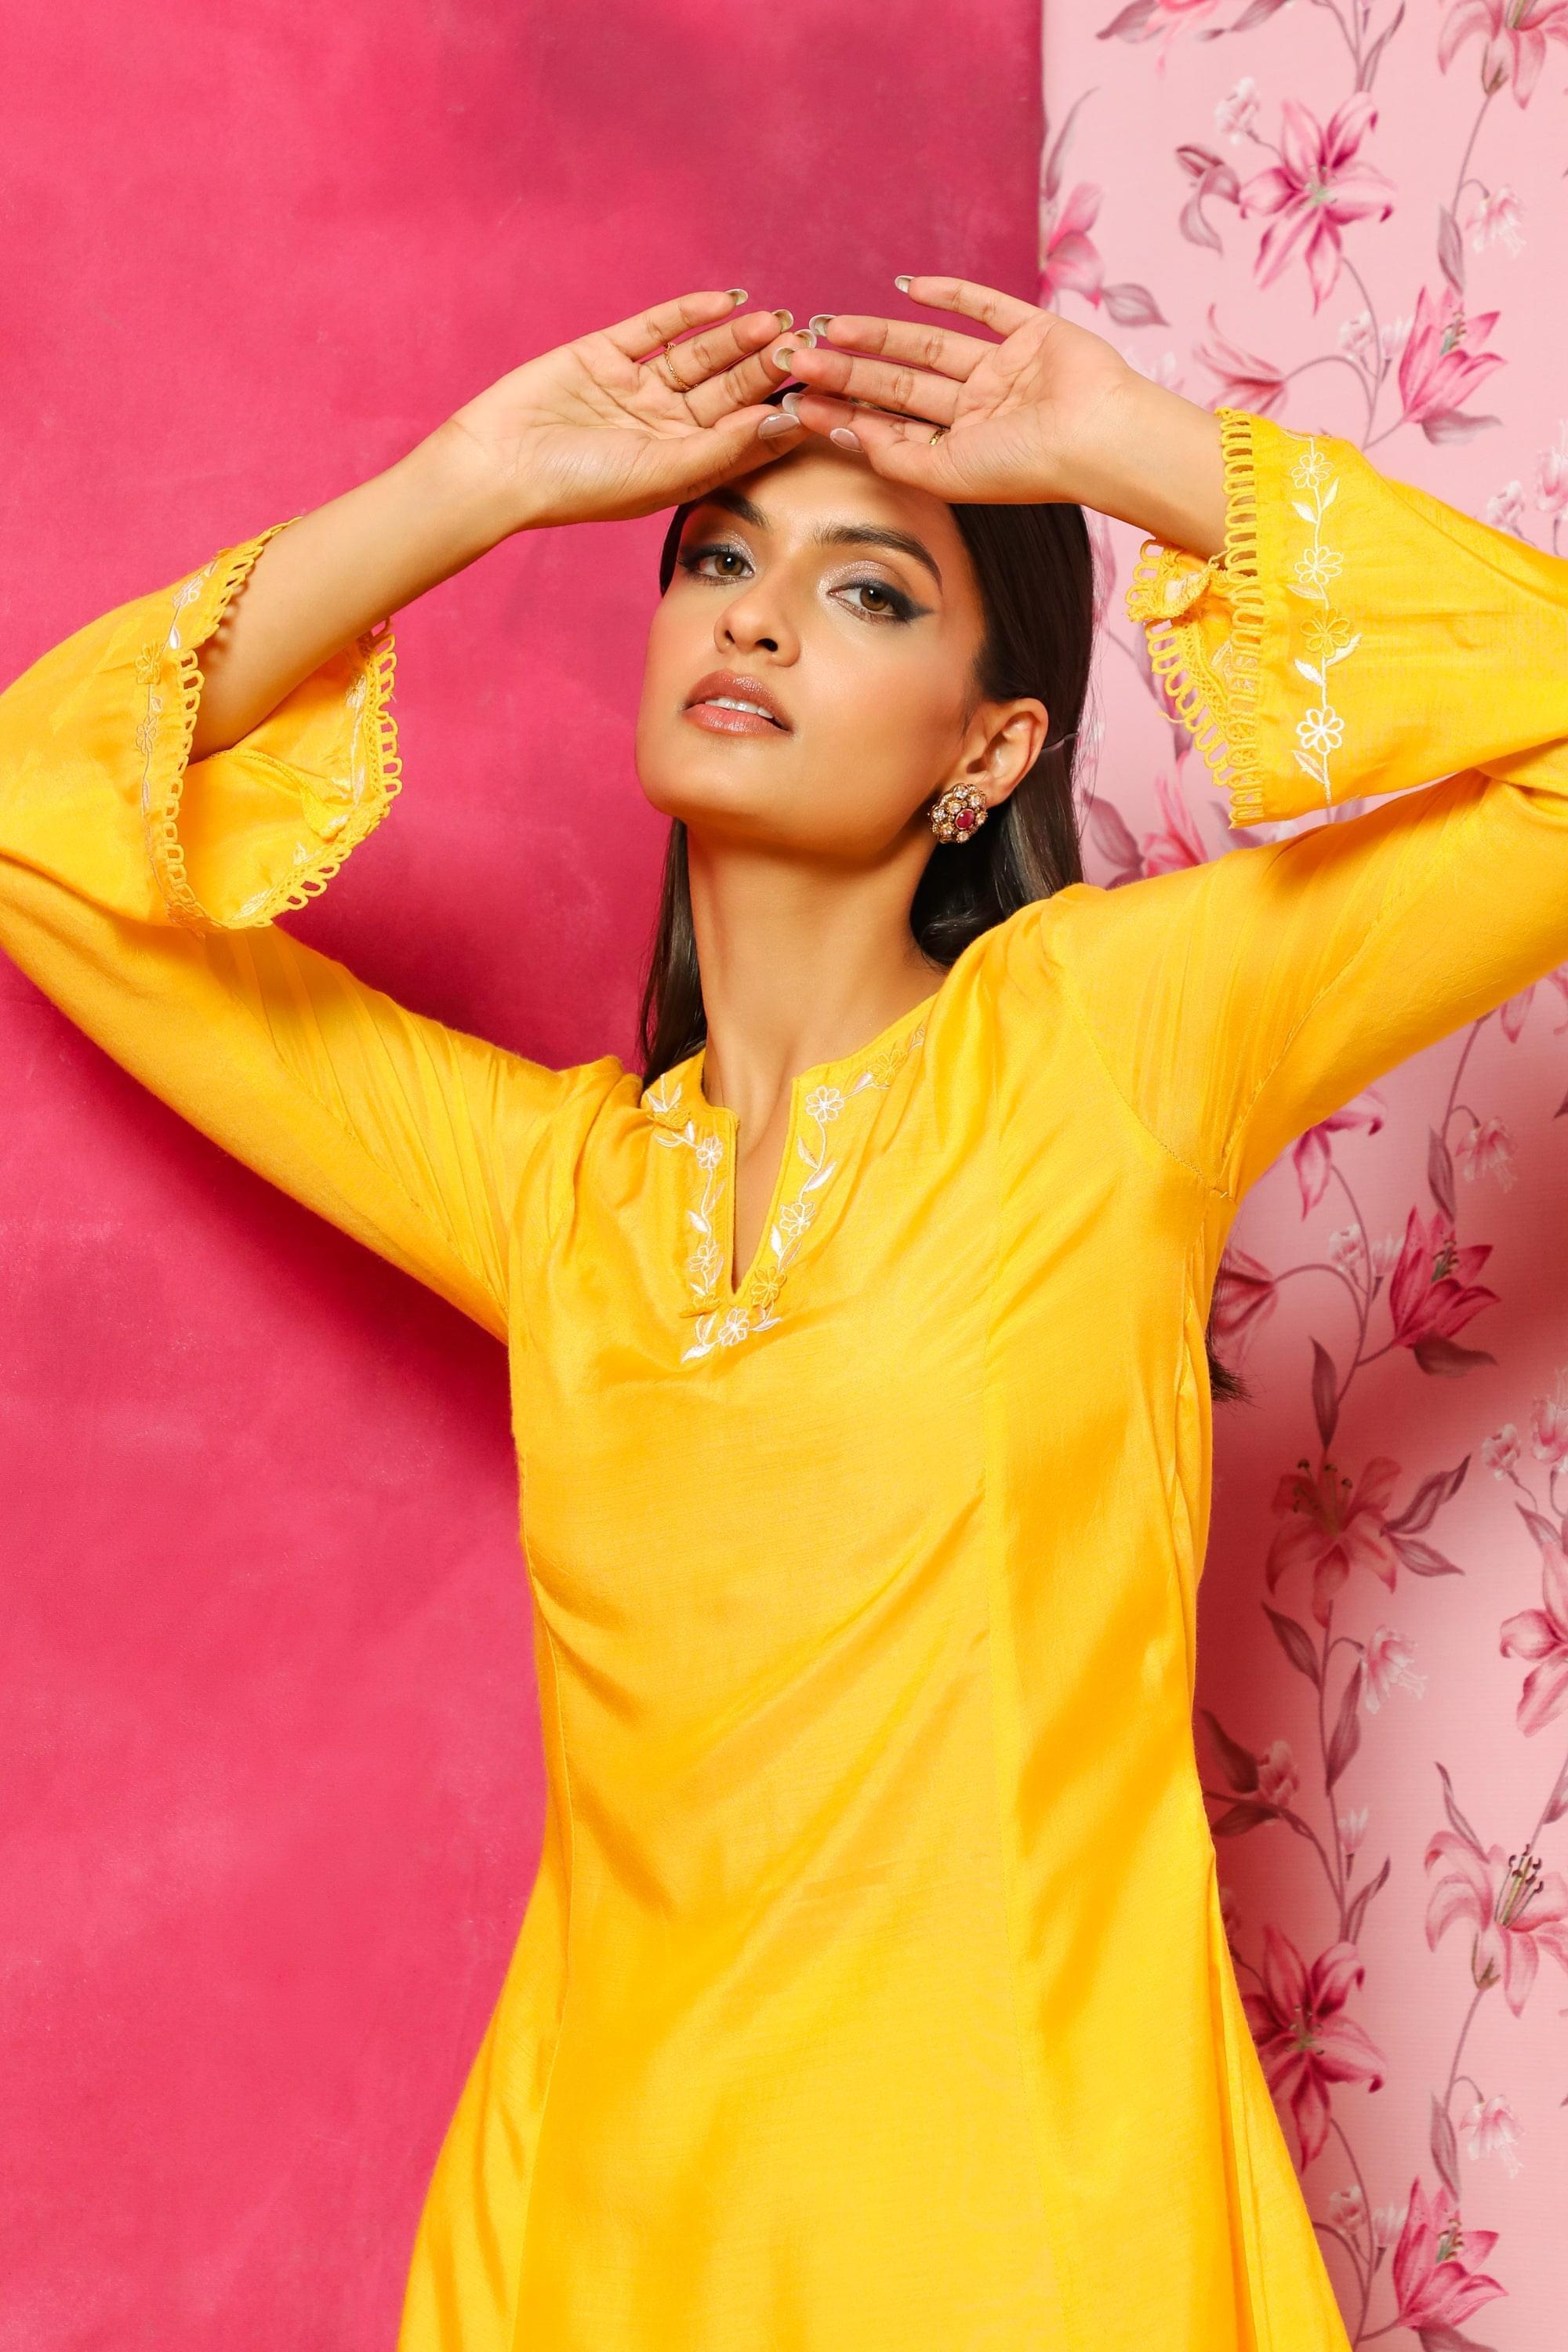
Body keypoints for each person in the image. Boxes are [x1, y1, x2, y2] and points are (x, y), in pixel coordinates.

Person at [3, 273, 1566, 2351]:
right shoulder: (557, 1196)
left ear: (989, 749)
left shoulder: (1098, 1051)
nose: (751, 623)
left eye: (867, 592)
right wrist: (472, 483)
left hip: (1023, 2253)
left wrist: (1134, 452)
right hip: (581, 2257)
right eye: (718, 562)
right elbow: (40, 830)